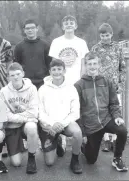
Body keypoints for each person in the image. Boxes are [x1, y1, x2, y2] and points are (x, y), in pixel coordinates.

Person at [74, 52, 128, 172]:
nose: (92, 66)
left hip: (106, 119)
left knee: (122, 130)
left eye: (95, 63)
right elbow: (76, 111)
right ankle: (85, 146)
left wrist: (117, 116)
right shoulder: (79, 85)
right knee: (91, 160)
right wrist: (82, 133)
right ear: (85, 66)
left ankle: (117, 158)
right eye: (89, 64)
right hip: (91, 125)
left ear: (99, 65)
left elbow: (114, 103)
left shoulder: (106, 81)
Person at [49, 15, 89, 155]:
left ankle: (81, 141)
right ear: (62, 26)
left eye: (72, 23)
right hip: (61, 83)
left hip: (76, 82)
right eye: (66, 23)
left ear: (76, 26)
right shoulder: (56, 42)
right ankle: (61, 140)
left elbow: (83, 63)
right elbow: (54, 63)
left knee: (78, 111)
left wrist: (81, 80)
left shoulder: (81, 43)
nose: (69, 25)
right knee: (60, 109)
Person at [38, 59, 82, 174]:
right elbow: (40, 111)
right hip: (49, 125)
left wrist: (62, 124)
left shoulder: (71, 88)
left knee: (77, 132)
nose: (57, 72)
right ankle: (57, 140)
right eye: (54, 69)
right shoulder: (43, 89)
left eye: (59, 69)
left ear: (64, 71)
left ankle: (75, 160)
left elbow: (75, 112)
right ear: (49, 71)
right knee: (49, 162)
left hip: (66, 123)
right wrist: (52, 124)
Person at [91, 23, 127, 152]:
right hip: (100, 86)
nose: (105, 37)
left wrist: (121, 84)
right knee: (103, 111)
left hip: (115, 87)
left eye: (107, 35)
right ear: (99, 35)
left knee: (115, 111)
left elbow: (122, 68)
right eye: (102, 35)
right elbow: (92, 67)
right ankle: (106, 140)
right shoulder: (95, 49)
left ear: (111, 34)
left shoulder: (118, 48)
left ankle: (114, 139)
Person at [0, 62, 39, 174]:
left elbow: (34, 112)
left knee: (31, 127)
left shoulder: (32, 88)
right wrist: (27, 118)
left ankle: (32, 158)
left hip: (25, 125)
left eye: (18, 74)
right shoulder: (3, 91)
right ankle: (20, 145)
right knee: (16, 163)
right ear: (8, 77)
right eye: (12, 75)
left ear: (23, 73)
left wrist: (27, 118)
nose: (15, 77)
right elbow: (5, 115)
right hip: (12, 126)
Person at [14, 19, 51, 89]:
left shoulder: (45, 45)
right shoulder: (19, 47)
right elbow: (17, 66)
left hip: (43, 83)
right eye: (27, 28)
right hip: (25, 82)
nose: (30, 30)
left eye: (32, 28)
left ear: (37, 29)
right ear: (24, 30)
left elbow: (49, 64)